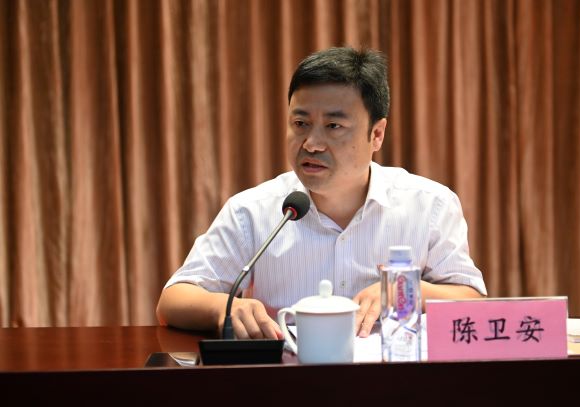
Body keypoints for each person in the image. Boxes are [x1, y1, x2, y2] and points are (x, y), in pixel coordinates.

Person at [156, 46, 487, 340]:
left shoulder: (430, 205)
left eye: (333, 126)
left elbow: (471, 299)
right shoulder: (252, 211)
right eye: (300, 124)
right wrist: (223, 308)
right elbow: (173, 301)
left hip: (392, 378)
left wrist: (411, 291)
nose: (312, 144)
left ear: (377, 134)